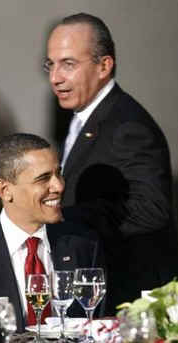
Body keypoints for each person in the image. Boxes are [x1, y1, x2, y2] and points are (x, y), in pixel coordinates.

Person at [44, 12, 178, 314]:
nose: (55, 77)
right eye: (50, 65)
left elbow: (152, 210)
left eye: (68, 64)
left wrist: (61, 216)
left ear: (104, 65)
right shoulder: (85, 117)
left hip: (127, 302)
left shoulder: (126, 125)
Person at [0, 133, 105, 333]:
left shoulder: (84, 244)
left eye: (58, 173)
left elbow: (97, 324)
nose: (59, 186)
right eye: (43, 178)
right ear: (4, 190)